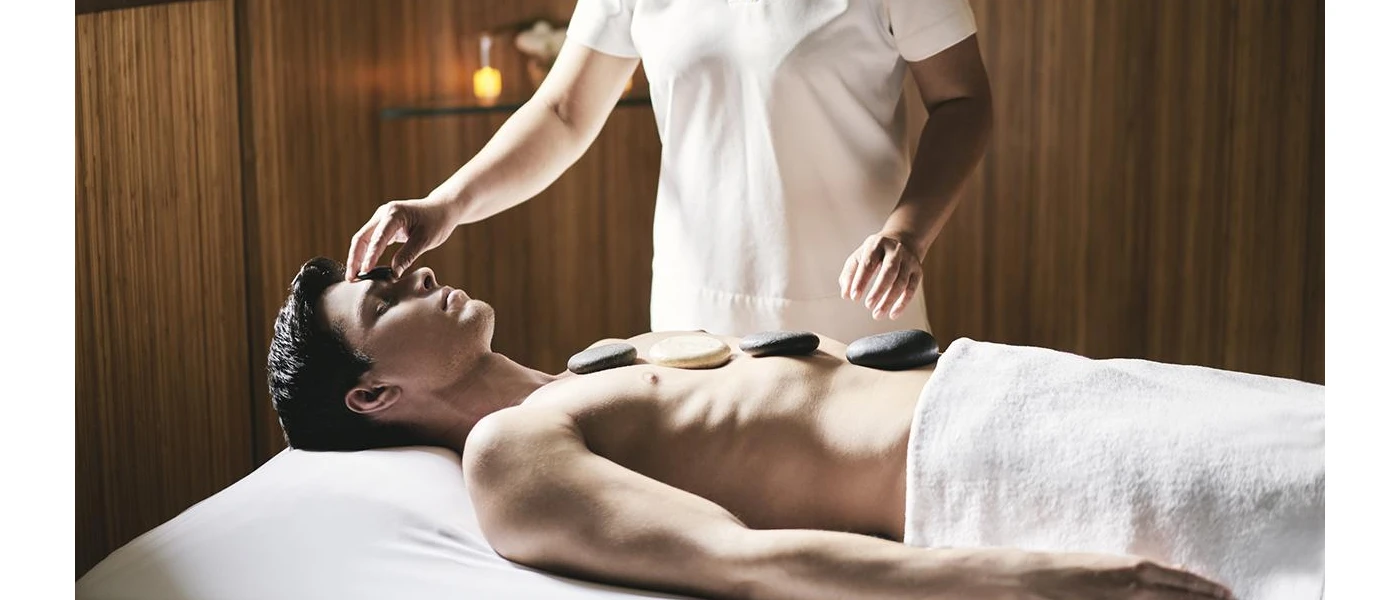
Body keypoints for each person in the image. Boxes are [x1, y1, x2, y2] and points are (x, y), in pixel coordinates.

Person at [268, 257, 1326, 600]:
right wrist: (1034, 579)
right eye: (386, 300)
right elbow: (746, 563)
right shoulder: (511, 452)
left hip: (1020, 389)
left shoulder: (592, 365)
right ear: (371, 395)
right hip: (988, 467)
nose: (421, 276)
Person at [345, 0, 993, 342]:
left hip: (859, 317)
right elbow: (565, 111)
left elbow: (963, 101)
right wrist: (446, 203)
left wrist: (908, 232)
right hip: (696, 326)